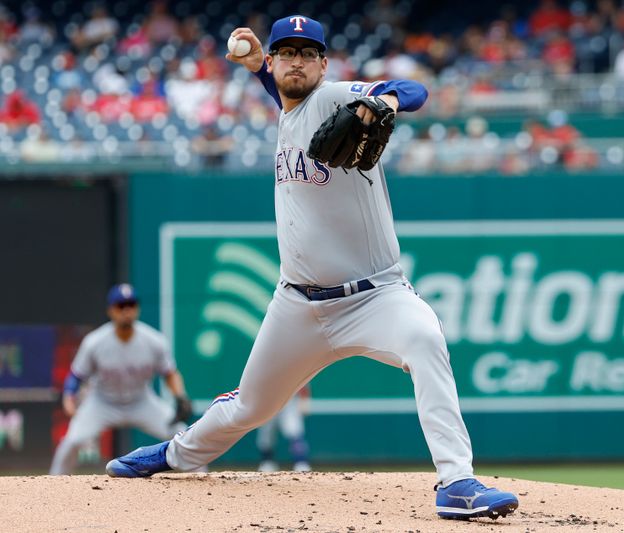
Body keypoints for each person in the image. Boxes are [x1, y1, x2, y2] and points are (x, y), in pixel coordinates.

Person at [105, 15, 519, 521]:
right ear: (276, 61)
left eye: (307, 53)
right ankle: (173, 455)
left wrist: (384, 101)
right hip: (297, 305)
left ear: (324, 64)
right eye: (287, 53)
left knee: (427, 340)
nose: (296, 61)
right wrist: (258, 65)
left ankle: (456, 481)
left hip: (374, 297)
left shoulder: (335, 96)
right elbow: (282, 89)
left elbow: (412, 89)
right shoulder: (288, 103)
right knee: (251, 407)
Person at [49, 284, 191, 475]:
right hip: (102, 403)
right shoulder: (95, 342)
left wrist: (180, 396)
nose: (126, 311)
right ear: (111, 310)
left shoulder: (154, 341)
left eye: (131, 305)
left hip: (142, 402)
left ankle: (201, 482)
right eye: (120, 306)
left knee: (186, 437)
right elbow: (76, 376)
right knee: (71, 442)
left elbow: (170, 373)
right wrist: (68, 397)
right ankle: (52, 487)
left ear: (137, 308)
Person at [255, 389, 310, 472]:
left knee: (294, 432)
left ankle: (301, 462)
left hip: (288, 403)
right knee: (266, 435)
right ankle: (267, 461)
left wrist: (304, 400)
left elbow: (303, 383)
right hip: (268, 403)